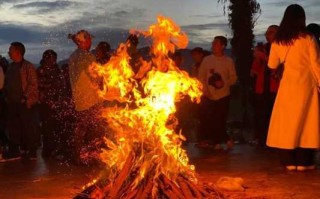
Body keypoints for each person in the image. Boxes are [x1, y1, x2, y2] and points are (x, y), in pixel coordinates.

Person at [267, 4, 320, 171]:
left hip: (288, 85)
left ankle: (288, 160)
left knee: (287, 122)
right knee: (307, 122)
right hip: (306, 85)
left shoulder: (279, 41)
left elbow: (272, 64)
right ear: (301, 19)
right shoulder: (309, 38)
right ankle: (305, 161)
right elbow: (316, 65)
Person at [68, 30, 105, 164]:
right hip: (91, 99)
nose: (91, 42)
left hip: (79, 98)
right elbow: (95, 78)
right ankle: (91, 156)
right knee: (95, 129)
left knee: (81, 128)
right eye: (89, 39)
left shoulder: (73, 56)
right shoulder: (87, 57)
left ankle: (77, 155)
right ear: (85, 41)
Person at [197, 36, 237, 150]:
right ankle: (219, 141)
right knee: (211, 119)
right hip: (208, 95)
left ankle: (221, 140)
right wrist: (205, 90)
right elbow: (201, 77)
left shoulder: (228, 61)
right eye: (213, 43)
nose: (213, 45)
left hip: (223, 95)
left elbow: (233, 78)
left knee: (221, 119)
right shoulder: (207, 60)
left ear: (223, 46)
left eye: (216, 44)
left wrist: (224, 83)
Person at [2, 42, 39, 161]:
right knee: (14, 128)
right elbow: (7, 83)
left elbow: (33, 84)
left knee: (27, 127)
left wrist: (25, 97)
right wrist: (6, 96)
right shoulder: (11, 67)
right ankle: (15, 151)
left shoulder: (28, 66)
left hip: (24, 103)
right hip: (12, 103)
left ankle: (32, 151)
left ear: (17, 52)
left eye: (10, 50)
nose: (8, 52)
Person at [250, 25, 279, 147]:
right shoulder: (264, 48)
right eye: (267, 33)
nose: (268, 35)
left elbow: (279, 66)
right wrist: (257, 59)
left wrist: (265, 58)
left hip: (275, 89)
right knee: (260, 116)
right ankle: (262, 140)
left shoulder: (281, 47)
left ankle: (275, 141)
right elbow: (253, 72)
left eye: (271, 32)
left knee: (274, 117)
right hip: (261, 88)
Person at [37, 49, 66, 158]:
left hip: (57, 103)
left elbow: (62, 86)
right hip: (46, 104)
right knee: (47, 128)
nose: (54, 61)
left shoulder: (57, 70)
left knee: (56, 127)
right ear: (46, 58)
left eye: (55, 59)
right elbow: (40, 86)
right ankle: (48, 150)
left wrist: (60, 99)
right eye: (52, 59)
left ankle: (55, 148)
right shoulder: (41, 70)